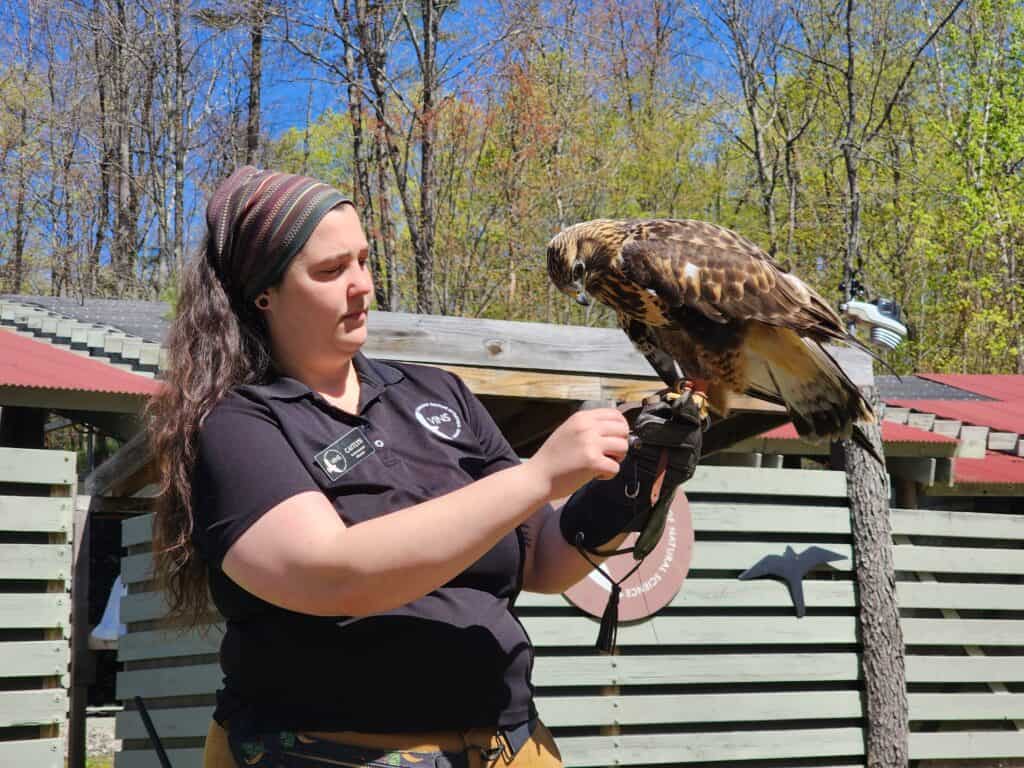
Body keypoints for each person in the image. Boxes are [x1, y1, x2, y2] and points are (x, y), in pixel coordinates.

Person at [148, 166, 701, 768]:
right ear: (264, 293)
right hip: (321, 753)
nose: (361, 286)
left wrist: (637, 480)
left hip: (507, 744)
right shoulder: (238, 424)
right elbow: (334, 576)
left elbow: (542, 559)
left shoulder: (437, 393)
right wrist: (538, 475)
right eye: (331, 271)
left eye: (363, 260)